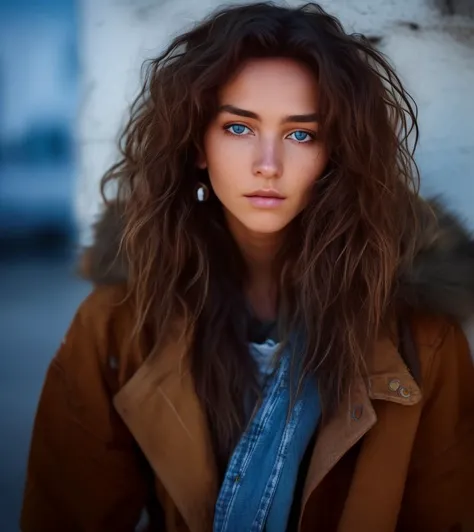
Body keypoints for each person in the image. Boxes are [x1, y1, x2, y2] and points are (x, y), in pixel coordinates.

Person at [21, 3, 474, 531]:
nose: (268, 163)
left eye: (301, 134)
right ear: (197, 144)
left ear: (336, 153)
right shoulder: (117, 326)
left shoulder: (422, 338)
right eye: (239, 127)